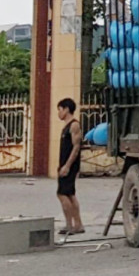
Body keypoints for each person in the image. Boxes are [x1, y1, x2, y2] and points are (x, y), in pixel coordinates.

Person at [55, 97, 84, 237]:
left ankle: (70, 224)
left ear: (66, 109)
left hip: (69, 165)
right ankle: (78, 224)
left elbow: (76, 147)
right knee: (70, 194)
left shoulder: (74, 125)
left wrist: (67, 166)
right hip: (64, 163)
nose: (58, 113)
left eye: (60, 110)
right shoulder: (65, 126)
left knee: (62, 194)